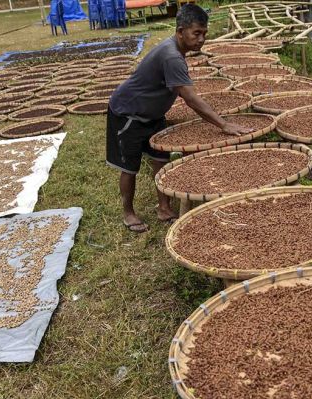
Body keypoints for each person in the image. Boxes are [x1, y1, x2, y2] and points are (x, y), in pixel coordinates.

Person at [106, 4, 251, 233]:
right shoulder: (171, 56)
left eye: (204, 33)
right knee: (129, 167)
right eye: (196, 33)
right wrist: (224, 124)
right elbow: (191, 98)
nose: (201, 39)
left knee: (160, 160)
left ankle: (164, 207)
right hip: (128, 113)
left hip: (153, 114)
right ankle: (129, 213)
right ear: (180, 30)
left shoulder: (175, 50)